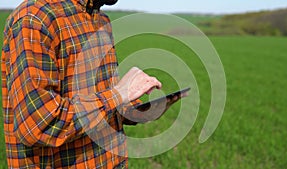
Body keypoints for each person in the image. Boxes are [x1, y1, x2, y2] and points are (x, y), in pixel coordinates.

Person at [1, 0, 182, 168]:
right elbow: (39, 124)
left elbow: (102, 101)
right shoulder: (35, 19)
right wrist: (118, 95)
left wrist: (139, 109)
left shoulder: (101, 20)